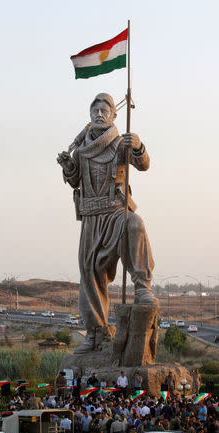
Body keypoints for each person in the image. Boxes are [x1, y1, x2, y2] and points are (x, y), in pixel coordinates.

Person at [57, 93, 157, 353]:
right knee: (90, 274)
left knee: (135, 225)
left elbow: (143, 165)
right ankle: (96, 333)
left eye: (104, 110)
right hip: (91, 217)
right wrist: (68, 166)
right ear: (90, 116)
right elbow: (75, 179)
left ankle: (142, 286)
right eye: (95, 110)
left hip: (115, 211)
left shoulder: (120, 143)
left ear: (113, 115)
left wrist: (138, 146)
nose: (99, 114)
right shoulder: (81, 149)